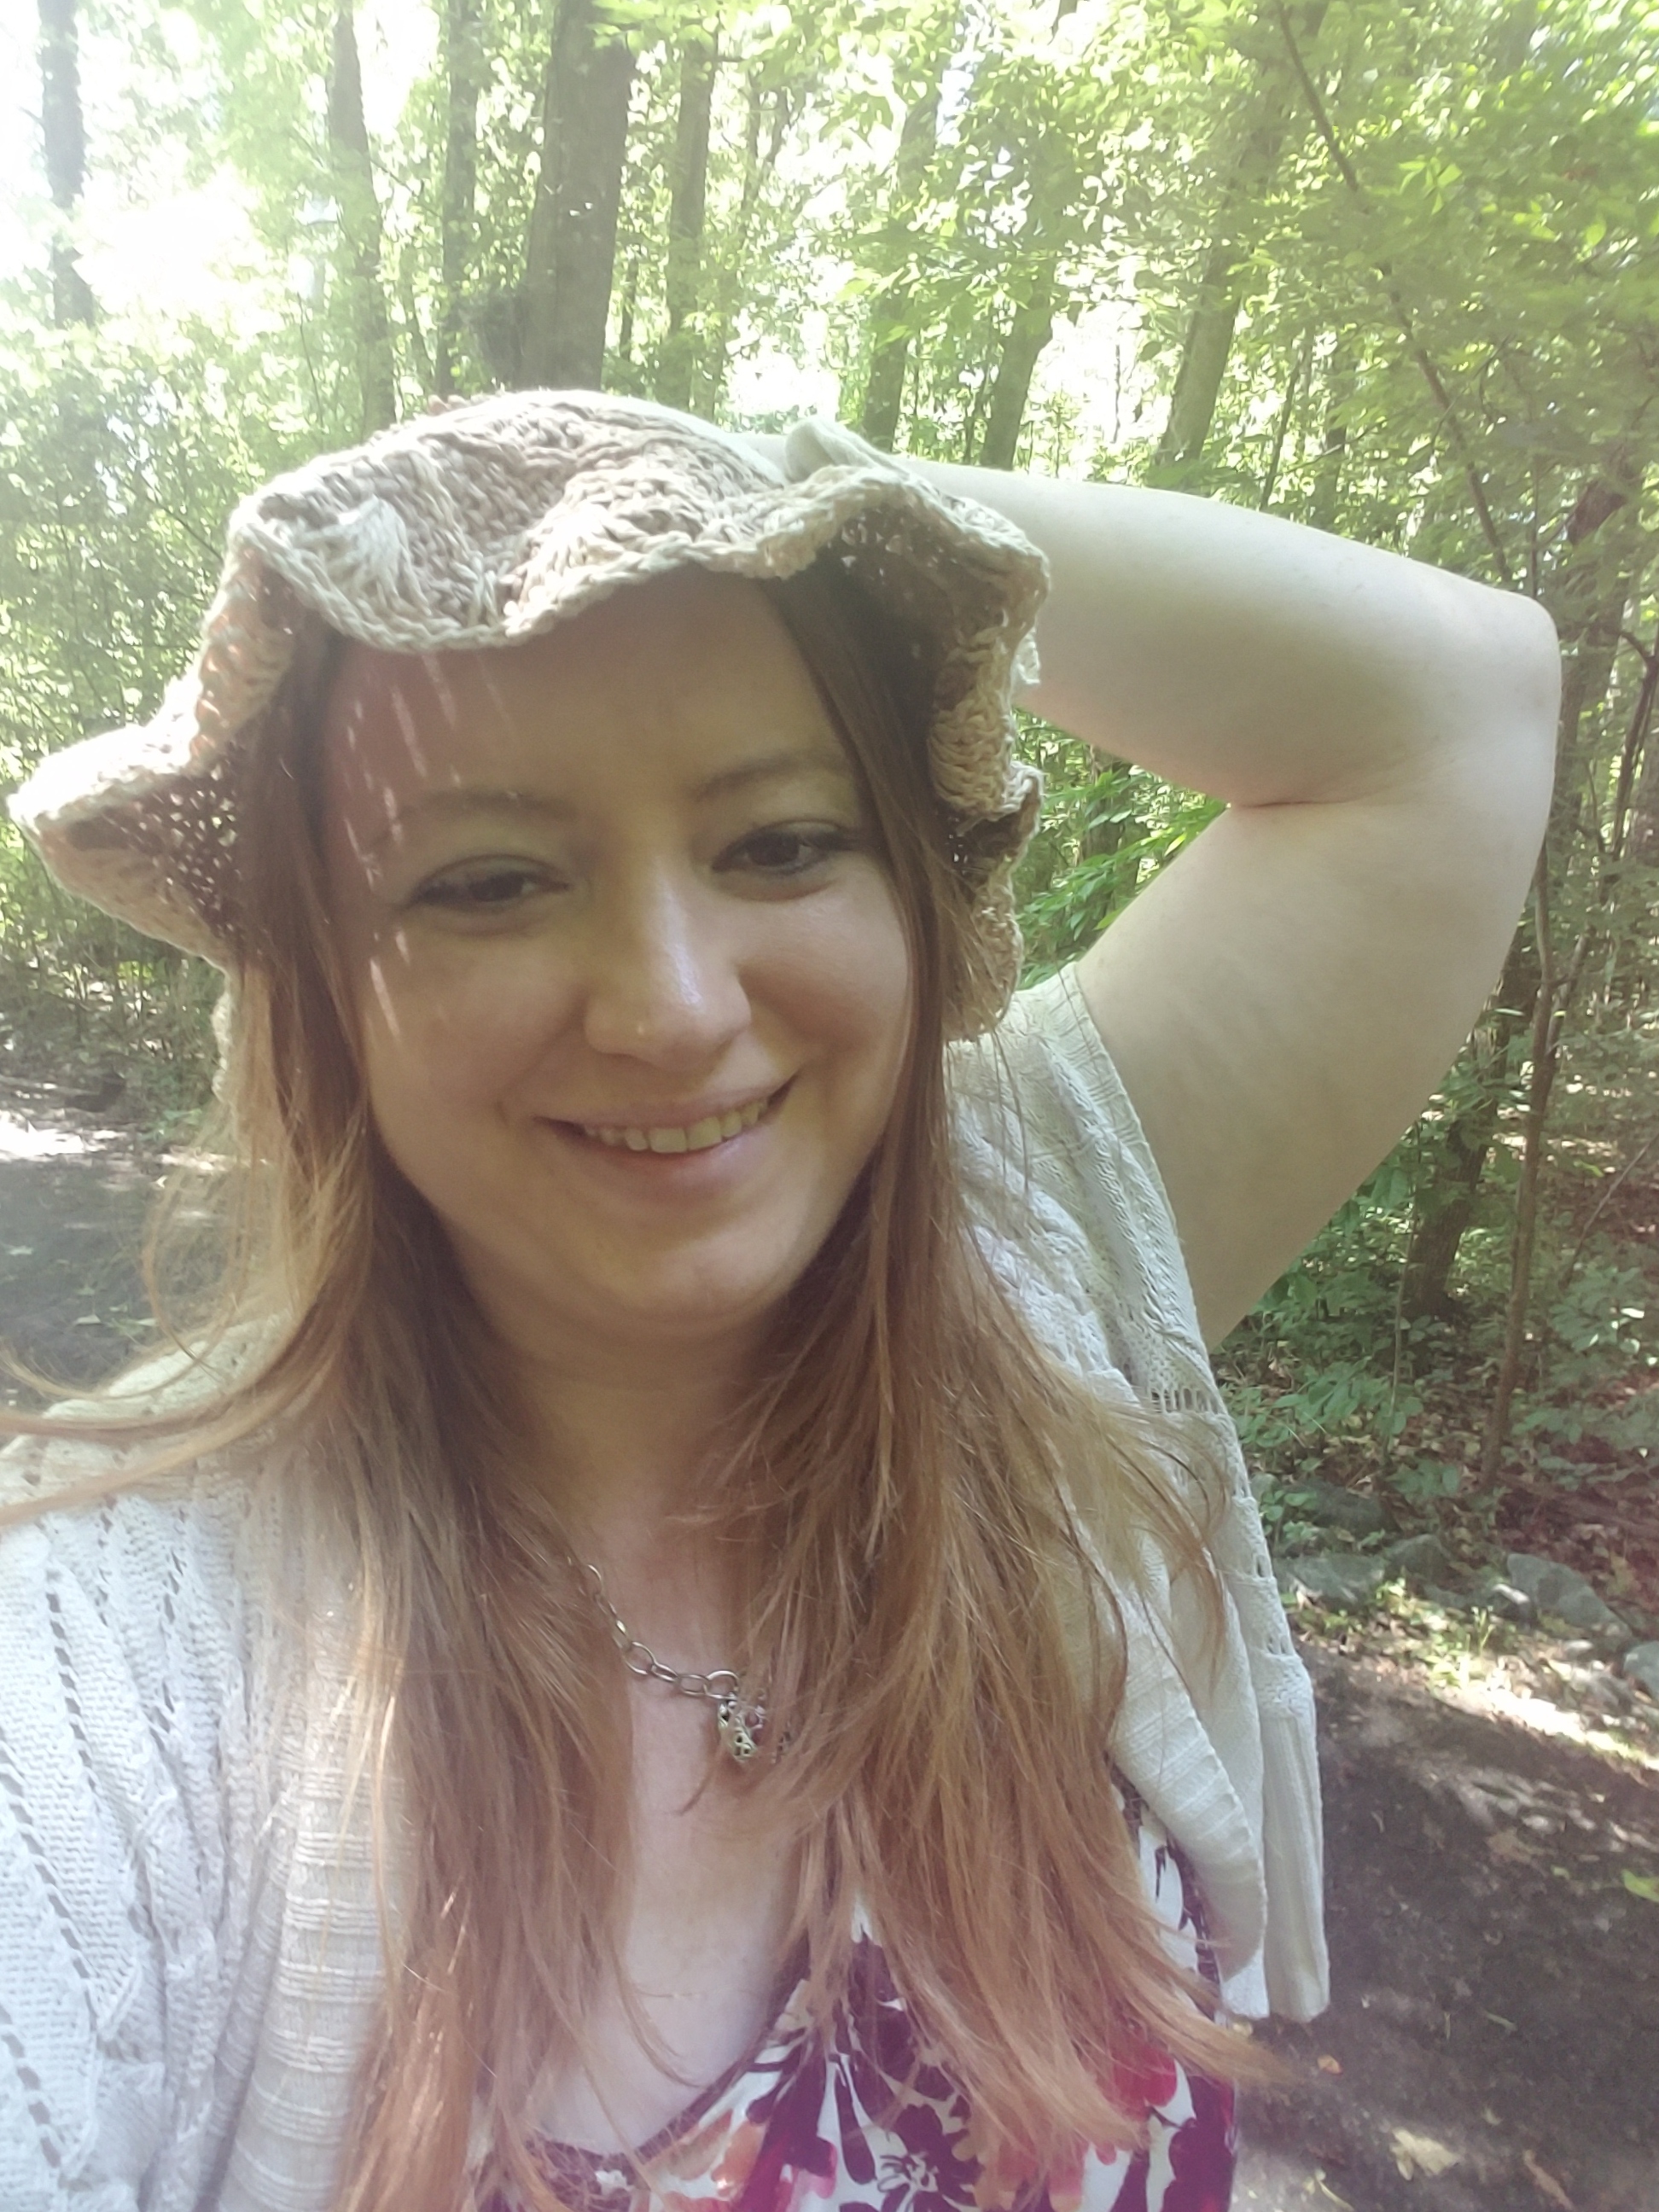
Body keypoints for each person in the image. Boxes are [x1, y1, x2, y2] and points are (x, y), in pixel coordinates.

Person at [0, 394, 1558, 2212]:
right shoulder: (101, 1667)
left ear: (911, 896)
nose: (671, 1007)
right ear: (328, 990)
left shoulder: (1025, 1247)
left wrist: (788, 497)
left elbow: (1461, 699)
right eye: (491, 882)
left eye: (781, 843)